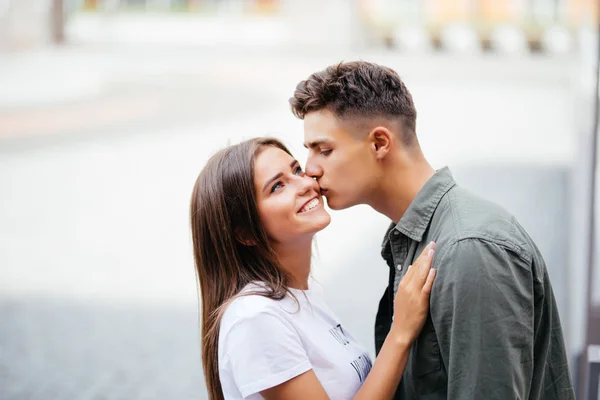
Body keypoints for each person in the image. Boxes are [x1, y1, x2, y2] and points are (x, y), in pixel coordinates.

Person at [289, 61, 575, 399]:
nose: (310, 170)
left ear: (380, 143)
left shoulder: (471, 249)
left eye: (324, 150)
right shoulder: (421, 238)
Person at [190, 137, 437, 400]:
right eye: (277, 186)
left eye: (297, 170)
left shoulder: (299, 298)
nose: (307, 184)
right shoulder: (255, 317)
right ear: (246, 233)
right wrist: (400, 333)